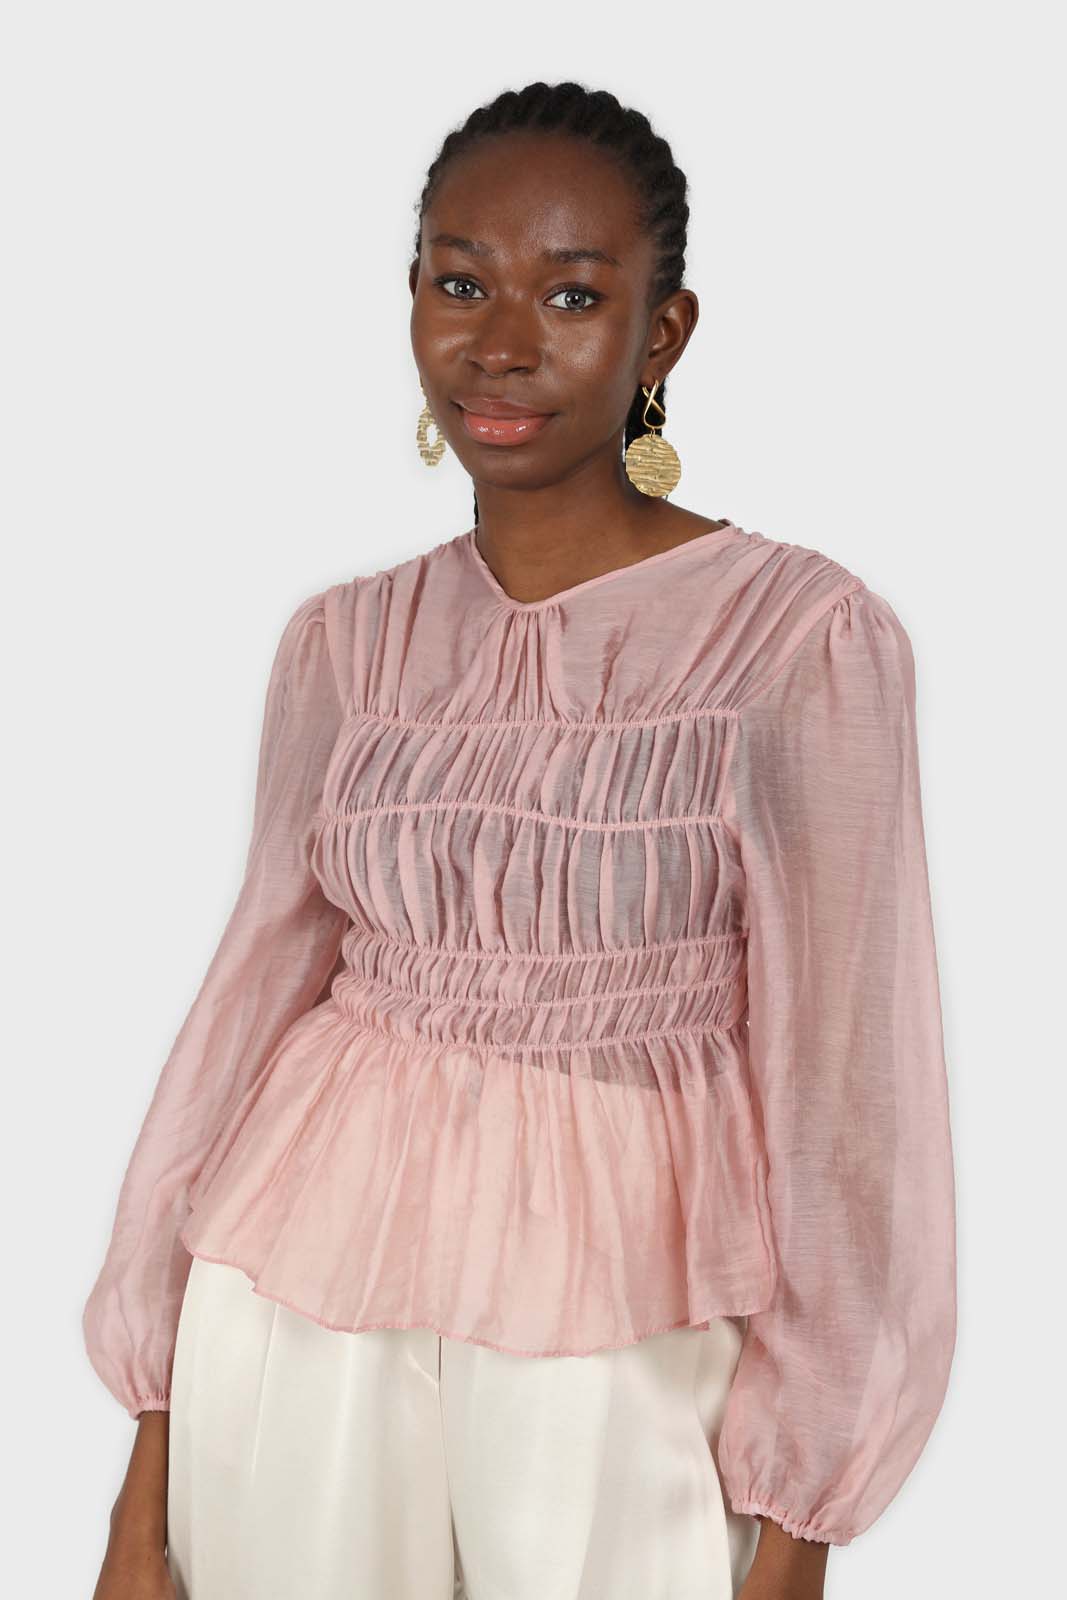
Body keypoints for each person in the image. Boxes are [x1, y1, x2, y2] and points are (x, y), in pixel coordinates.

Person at [84, 80, 957, 1600]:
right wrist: (142, 1482)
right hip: (300, 1294)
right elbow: (250, 1000)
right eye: (458, 283)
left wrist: (804, 1512)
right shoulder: (347, 643)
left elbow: (850, 1089)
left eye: (570, 295)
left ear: (662, 335)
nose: (499, 344)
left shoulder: (796, 642)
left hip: (627, 1317)